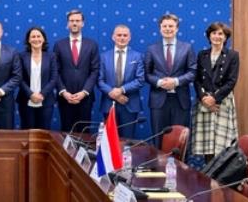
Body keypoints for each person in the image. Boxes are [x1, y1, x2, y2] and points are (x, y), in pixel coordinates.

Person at [144, 14, 196, 147]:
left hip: (180, 100)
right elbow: (147, 74)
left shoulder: (187, 48)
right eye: (164, 26)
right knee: (158, 139)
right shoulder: (151, 49)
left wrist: (176, 81)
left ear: (177, 28)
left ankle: (179, 167)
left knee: (180, 140)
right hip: (158, 101)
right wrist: (160, 82)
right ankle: (159, 167)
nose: (168, 29)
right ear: (160, 28)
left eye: (171, 26)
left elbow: (193, 72)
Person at [192, 22, 239, 162]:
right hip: (204, 102)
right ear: (209, 35)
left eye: (220, 34)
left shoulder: (232, 55)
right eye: (214, 33)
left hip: (222, 102)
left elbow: (231, 81)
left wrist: (214, 99)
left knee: (222, 144)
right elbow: (197, 80)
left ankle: (221, 179)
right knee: (207, 146)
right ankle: (208, 177)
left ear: (225, 37)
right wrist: (204, 99)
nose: (217, 36)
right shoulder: (202, 55)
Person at [53, 9, 100, 133]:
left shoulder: (92, 45)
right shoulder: (59, 45)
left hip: (85, 98)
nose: (74, 23)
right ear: (67, 24)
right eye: (72, 21)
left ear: (83, 23)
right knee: (66, 133)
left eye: (77, 21)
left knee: (84, 133)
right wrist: (63, 92)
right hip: (65, 98)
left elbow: (95, 71)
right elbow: (55, 71)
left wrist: (84, 92)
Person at [97, 25, 145, 138]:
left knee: (126, 141)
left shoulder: (138, 56)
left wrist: (121, 90)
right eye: (119, 35)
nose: (122, 38)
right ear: (113, 37)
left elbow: (140, 80)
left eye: (125, 35)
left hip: (129, 103)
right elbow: (99, 80)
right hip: (109, 104)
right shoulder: (103, 57)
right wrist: (114, 94)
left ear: (130, 38)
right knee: (109, 142)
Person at [17, 27, 58, 130]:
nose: (36, 39)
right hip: (26, 100)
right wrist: (31, 94)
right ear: (29, 40)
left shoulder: (51, 56)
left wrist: (42, 94)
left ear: (43, 39)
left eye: (39, 36)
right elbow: (19, 78)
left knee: (43, 133)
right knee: (27, 132)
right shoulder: (21, 56)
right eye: (33, 37)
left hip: (46, 100)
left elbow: (54, 78)